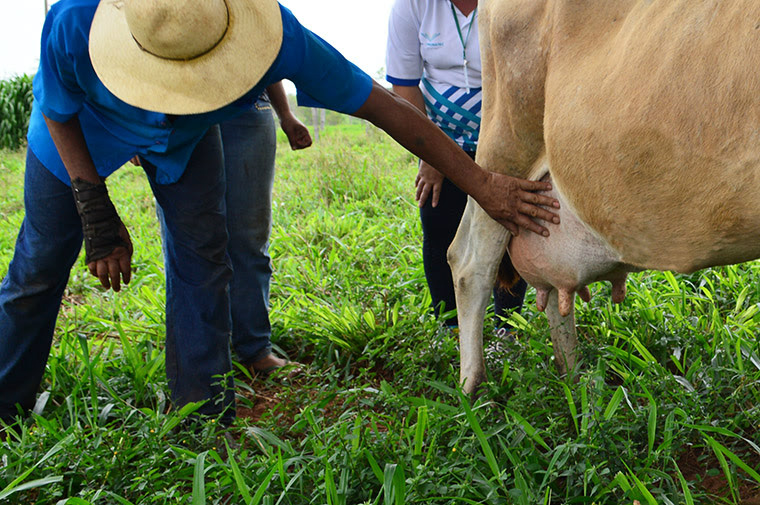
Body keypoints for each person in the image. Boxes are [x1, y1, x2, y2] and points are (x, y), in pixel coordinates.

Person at [0, 0, 559, 427]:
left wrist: (483, 184)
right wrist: (94, 208)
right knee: (40, 264)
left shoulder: (274, 35)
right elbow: (56, 109)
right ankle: (6, 403)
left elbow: (388, 110)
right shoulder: (75, 20)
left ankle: (200, 412)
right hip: (81, 136)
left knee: (205, 259)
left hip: (187, 141)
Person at [152, 82, 312, 378]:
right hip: (175, 109)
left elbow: (264, 48)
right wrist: (139, 125)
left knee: (249, 238)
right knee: (186, 244)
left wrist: (285, 113)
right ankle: (199, 359)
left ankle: (255, 349)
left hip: (247, 107)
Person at [386, 0, 528, 331]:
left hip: (507, 136)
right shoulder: (412, 5)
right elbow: (405, 85)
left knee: (510, 227)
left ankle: (507, 330)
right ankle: (449, 328)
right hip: (441, 142)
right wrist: (431, 156)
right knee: (439, 227)